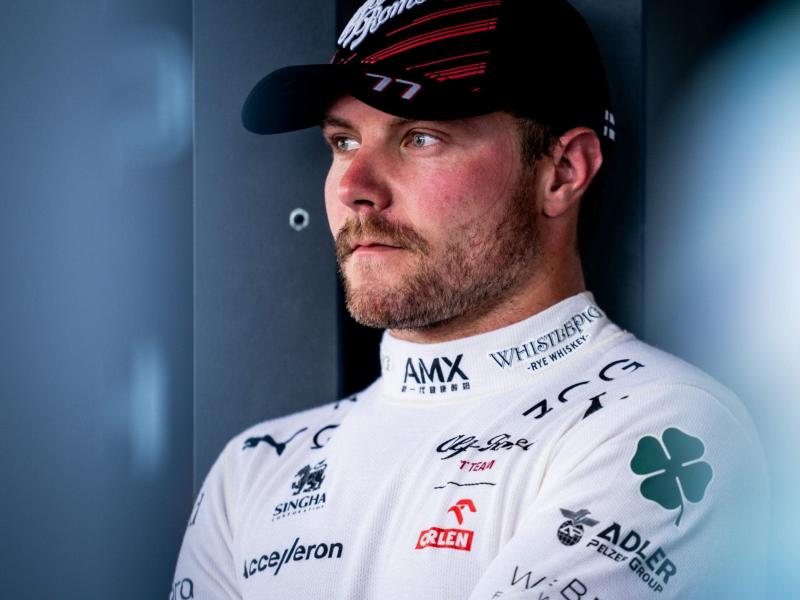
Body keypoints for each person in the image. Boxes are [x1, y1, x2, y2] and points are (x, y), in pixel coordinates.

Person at [172, 1, 768, 599]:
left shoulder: (667, 426)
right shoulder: (253, 471)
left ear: (562, 171)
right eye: (344, 141)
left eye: (420, 137)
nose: (355, 188)